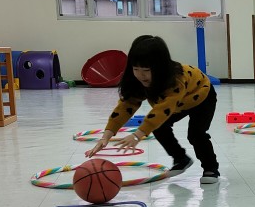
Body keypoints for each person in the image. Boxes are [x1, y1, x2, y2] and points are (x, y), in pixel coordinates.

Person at [85, 35, 220, 184]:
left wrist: (137, 135)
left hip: (201, 97)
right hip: (176, 104)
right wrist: (106, 136)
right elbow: (125, 107)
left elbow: (162, 110)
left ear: (160, 68)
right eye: (136, 69)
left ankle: (210, 168)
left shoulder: (175, 80)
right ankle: (180, 159)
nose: (140, 75)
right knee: (159, 127)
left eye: (146, 70)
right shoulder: (136, 80)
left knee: (196, 134)